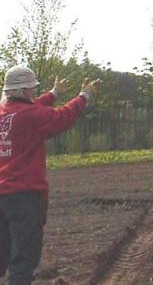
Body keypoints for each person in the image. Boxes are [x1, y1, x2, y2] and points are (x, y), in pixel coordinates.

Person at [0, 65, 101, 285]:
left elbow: (30, 109)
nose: (34, 93)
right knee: (24, 259)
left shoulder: (5, 112)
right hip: (24, 196)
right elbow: (62, 117)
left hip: (2, 195)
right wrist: (84, 96)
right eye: (32, 89)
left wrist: (53, 94)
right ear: (25, 90)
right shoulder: (31, 116)